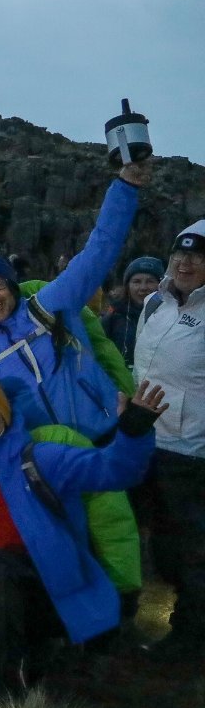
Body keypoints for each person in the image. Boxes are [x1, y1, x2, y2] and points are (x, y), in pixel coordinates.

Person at [0, 379, 165, 708]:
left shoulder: (39, 456)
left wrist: (133, 433)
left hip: (48, 586)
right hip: (1, 588)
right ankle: (33, 656)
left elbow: (112, 471)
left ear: (4, 414)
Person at [0, 162, 147, 441]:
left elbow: (99, 251)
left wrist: (126, 186)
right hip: (49, 457)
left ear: (12, 287)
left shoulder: (48, 305)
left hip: (106, 433)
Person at [131, 221, 205, 661]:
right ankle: (116, 624)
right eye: (180, 254)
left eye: (197, 256)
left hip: (191, 451)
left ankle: (189, 640)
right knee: (143, 540)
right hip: (143, 441)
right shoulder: (154, 303)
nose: (186, 262)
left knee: (187, 552)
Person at [103, 255, 165, 368]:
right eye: (136, 282)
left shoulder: (170, 316)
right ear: (127, 286)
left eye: (150, 281)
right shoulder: (114, 316)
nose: (143, 287)